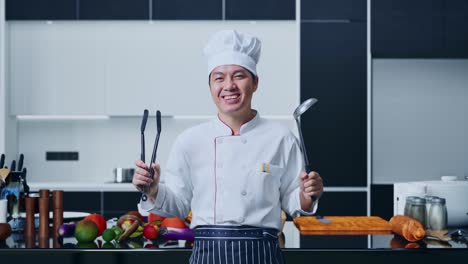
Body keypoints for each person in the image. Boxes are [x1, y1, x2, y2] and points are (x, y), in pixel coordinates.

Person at [133, 29, 323, 264]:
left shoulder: (281, 138)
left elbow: (293, 202)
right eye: (219, 78)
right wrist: (153, 190)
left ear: (255, 82)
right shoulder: (190, 140)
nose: (229, 85)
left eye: (239, 76)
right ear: (211, 86)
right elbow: (179, 205)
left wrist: (307, 195)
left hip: (262, 254)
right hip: (207, 254)